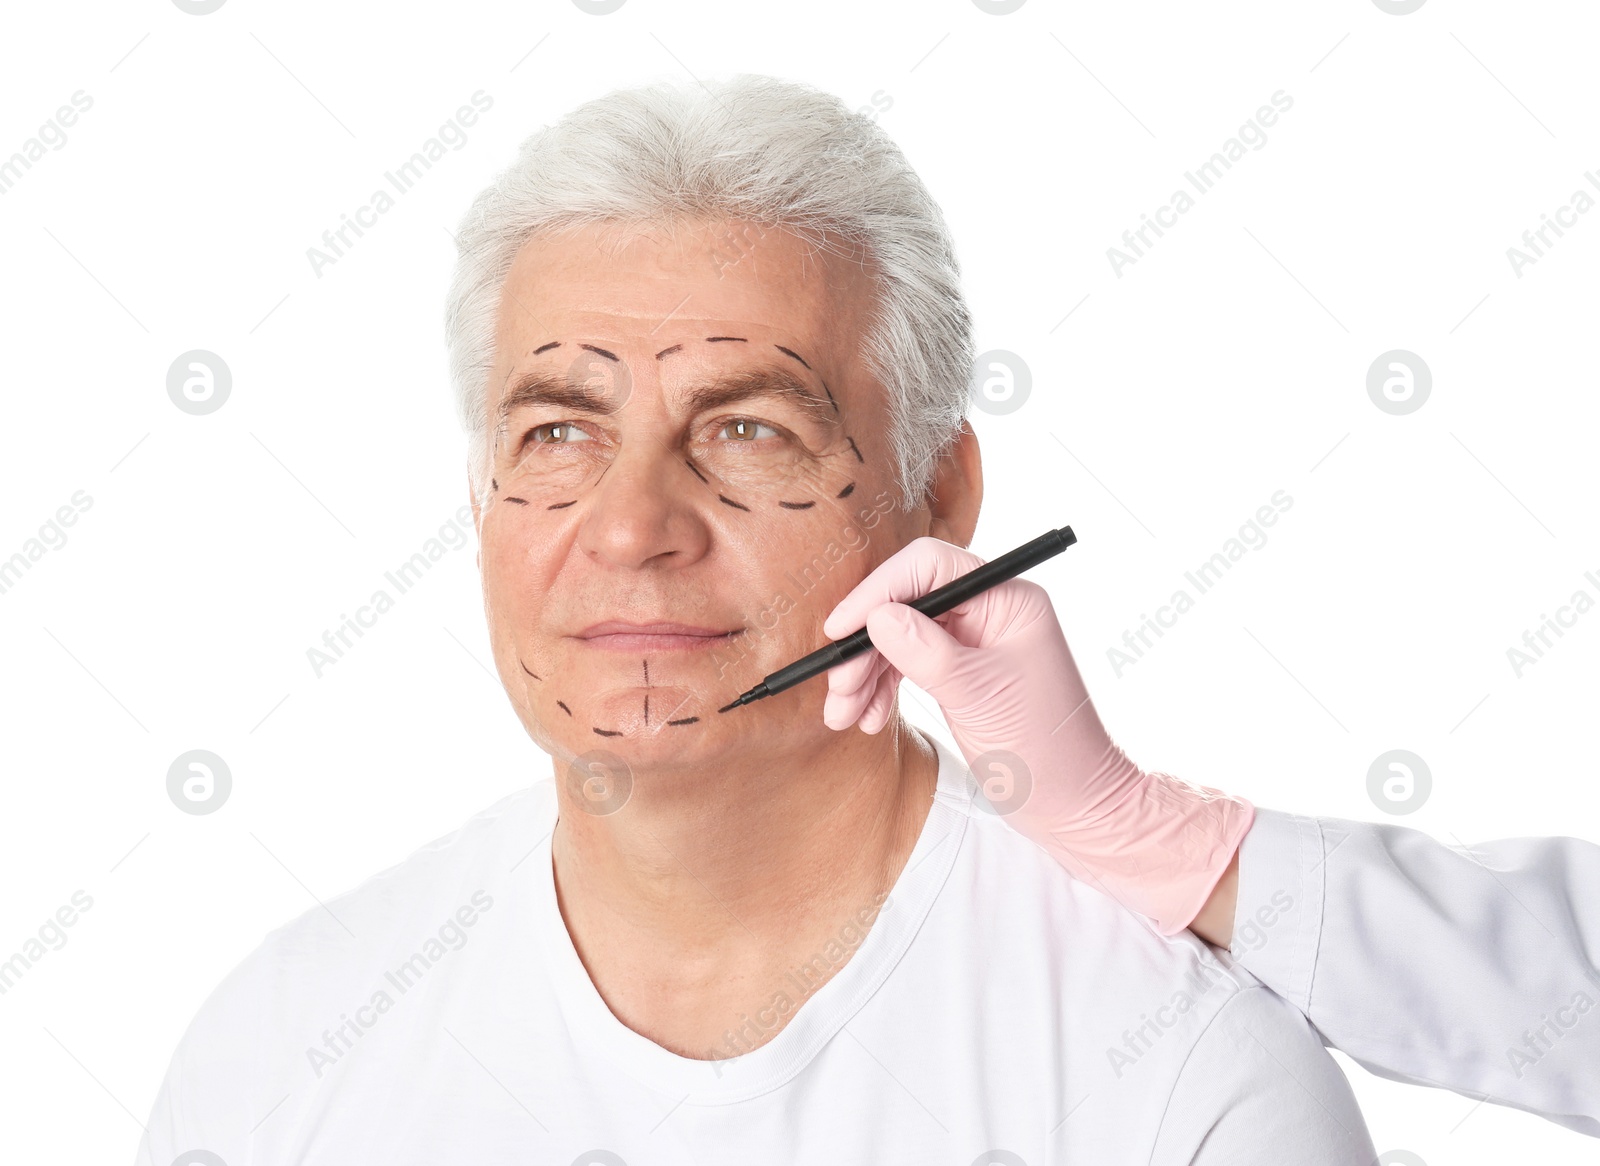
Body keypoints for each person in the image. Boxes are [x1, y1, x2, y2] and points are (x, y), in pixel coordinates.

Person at [134, 76, 1376, 1165]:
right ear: (477, 497)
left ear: (935, 496)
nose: (631, 528)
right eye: (559, 432)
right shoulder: (283, 1048)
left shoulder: (1185, 1081)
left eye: (746, 430)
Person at [830, 537, 1600, 1140]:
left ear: (943, 489)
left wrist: (1136, 827)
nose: (700, 534)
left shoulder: (1199, 1062)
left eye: (748, 431)